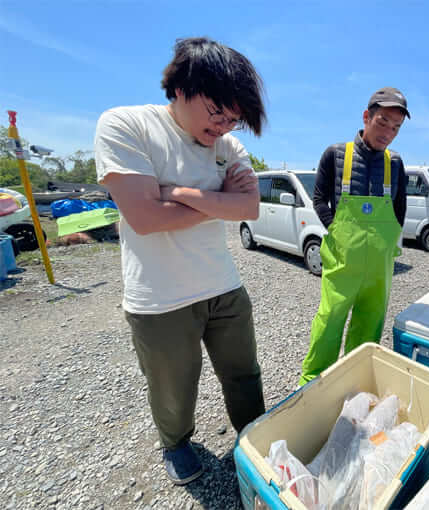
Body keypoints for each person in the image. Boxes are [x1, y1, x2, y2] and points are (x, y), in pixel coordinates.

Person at [94, 37, 267, 485]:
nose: (226, 125)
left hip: (224, 285)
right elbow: (146, 218)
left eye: (234, 118)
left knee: (244, 374)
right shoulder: (125, 125)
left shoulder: (227, 146)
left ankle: (255, 435)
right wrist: (217, 200)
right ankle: (175, 443)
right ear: (182, 87)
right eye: (218, 111)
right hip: (159, 297)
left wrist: (181, 193)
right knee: (173, 389)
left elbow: (248, 209)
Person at [299, 87, 409, 385]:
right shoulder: (335, 154)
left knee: (370, 323)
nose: (388, 132)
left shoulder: (395, 163)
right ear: (366, 116)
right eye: (383, 122)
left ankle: (355, 380)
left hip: (379, 265)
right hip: (342, 260)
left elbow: (399, 208)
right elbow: (319, 198)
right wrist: (336, 229)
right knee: (329, 320)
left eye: (396, 127)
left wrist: (387, 240)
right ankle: (313, 380)